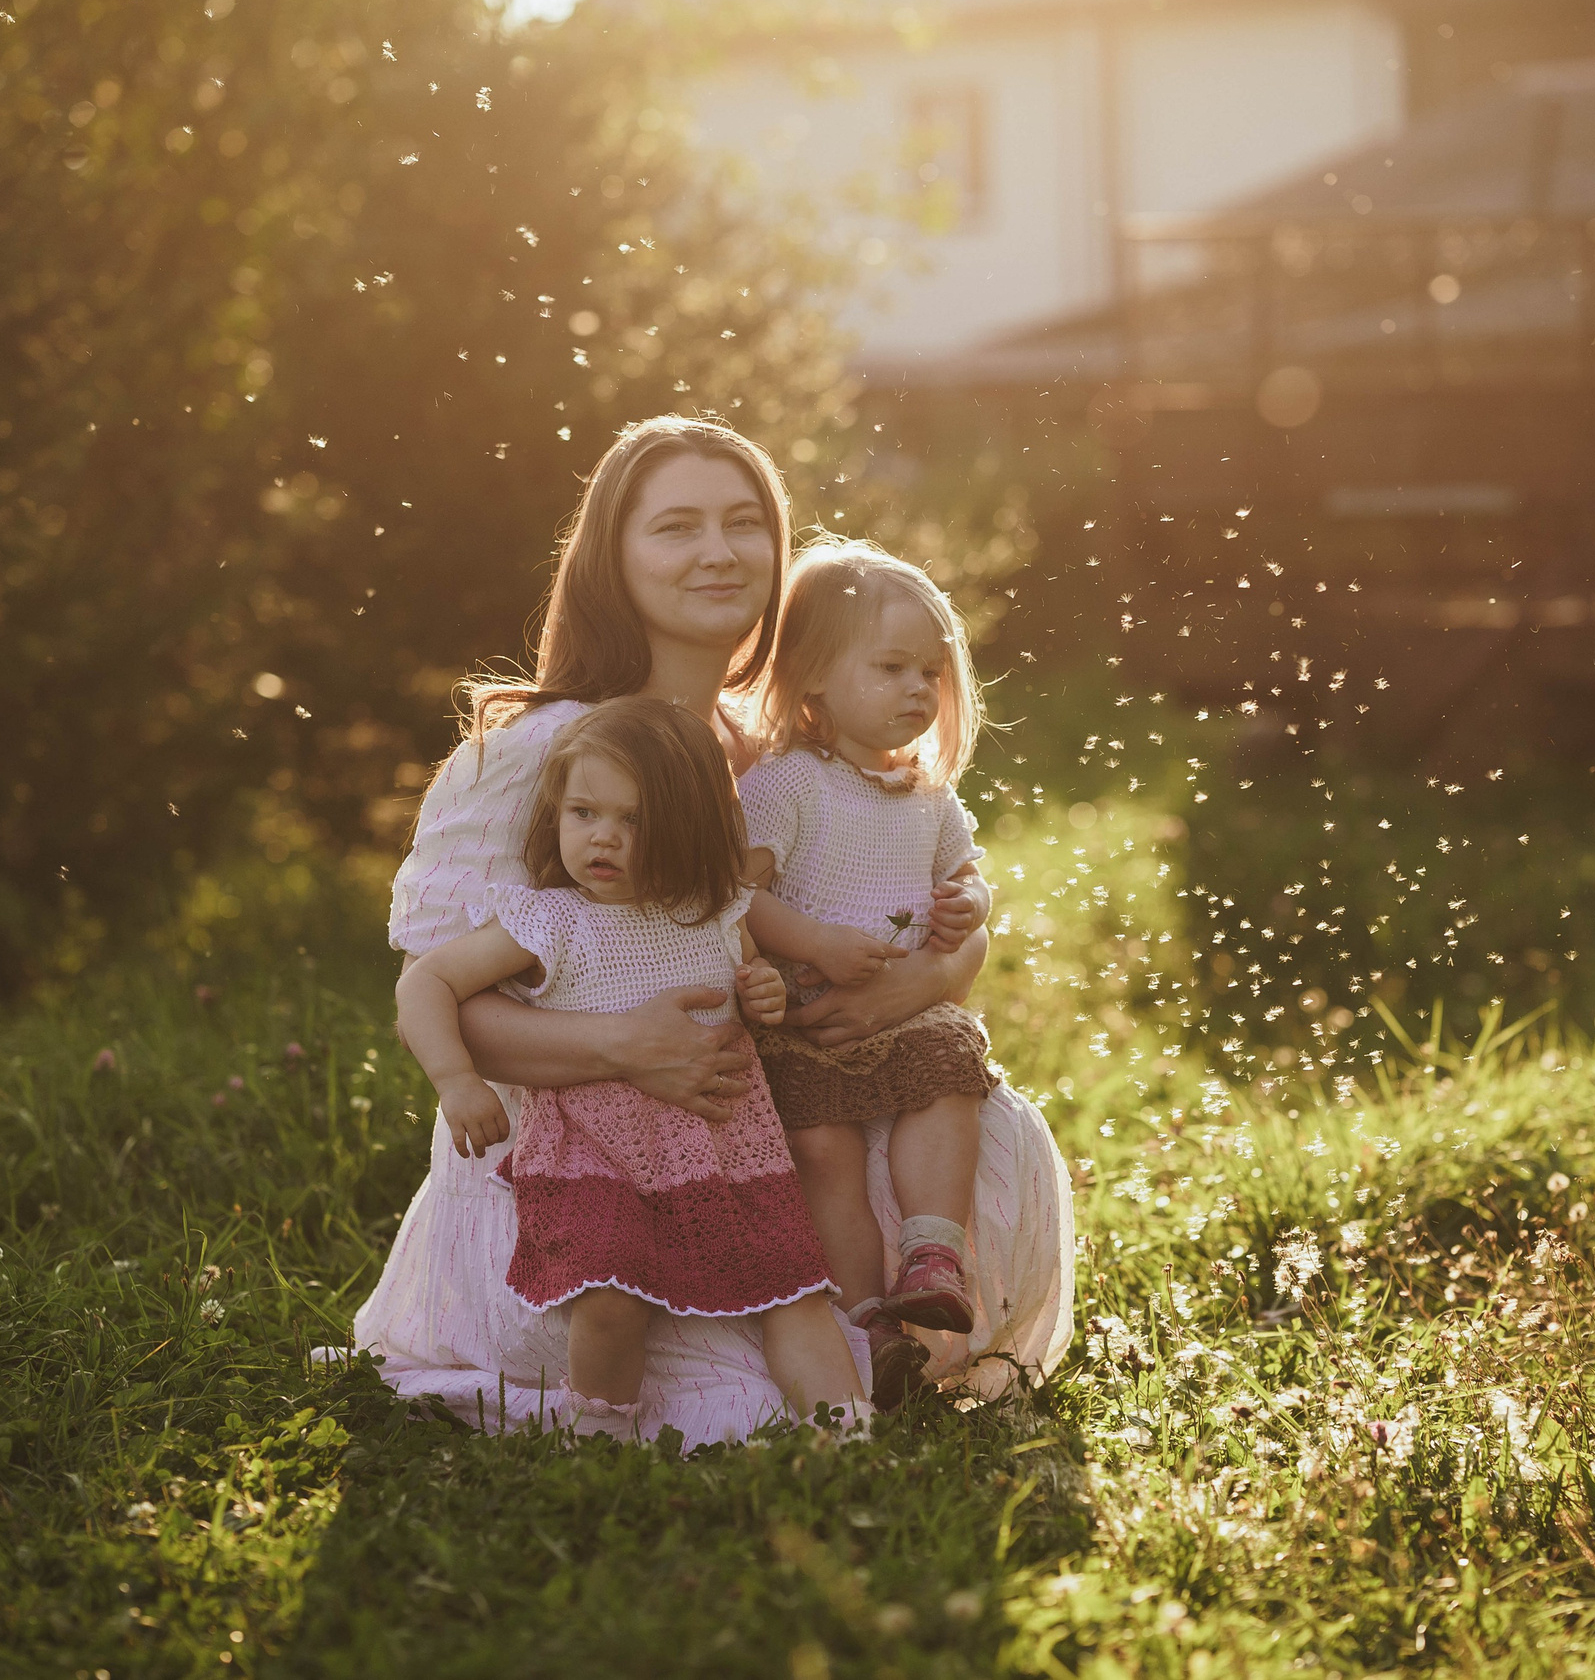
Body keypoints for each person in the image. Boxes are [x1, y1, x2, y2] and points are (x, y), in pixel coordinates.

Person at [347, 413, 1071, 1445]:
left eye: (744, 523)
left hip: (750, 1125)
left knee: (978, 1126)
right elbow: (447, 995)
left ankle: (877, 1329)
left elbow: (914, 890)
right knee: (724, 1394)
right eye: (676, 527)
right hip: (576, 1150)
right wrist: (619, 1046)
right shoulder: (545, 749)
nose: (719, 551)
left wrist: (928, 975)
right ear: (613, 556)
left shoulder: (779, 749)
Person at [394, 698, 865, 1439]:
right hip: (595, 1149)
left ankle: (850, 1432)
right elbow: (425, 982)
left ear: (689, 827)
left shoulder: (717, 911)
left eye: (634, 820)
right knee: (609, 1296)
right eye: (583, 812)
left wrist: (761, 990)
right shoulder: (549, 917)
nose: (602, 837)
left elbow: (748, 987)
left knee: (793, 1287)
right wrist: (456, 1077)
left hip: (724, 1141)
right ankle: (600, 1435)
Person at [737, 540, 996, 1412]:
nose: (920, 689)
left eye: (930, 671)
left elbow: (968, 879)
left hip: (905, 1015)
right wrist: (812, 942)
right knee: (823, 1153)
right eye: (891, 667)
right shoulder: (786, 785)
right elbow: (740, 898)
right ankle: (868, 1321)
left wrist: (967, 908)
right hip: (810, 1018)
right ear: (813, 677)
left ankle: (932, 1253)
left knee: (947, 1081)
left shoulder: (929, 795)